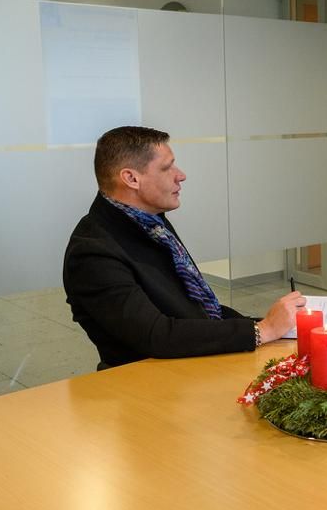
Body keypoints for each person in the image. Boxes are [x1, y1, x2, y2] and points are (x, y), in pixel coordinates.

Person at [63, 126, 304, 369]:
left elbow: (195, 311)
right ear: (131, 178)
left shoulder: (150, 222)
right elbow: (155, 335)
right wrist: (262, 330)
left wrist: (271, 327)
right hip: (150, 384)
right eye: (167, 168)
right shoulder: (93, 251)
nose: (181, 175)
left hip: (190, 364)